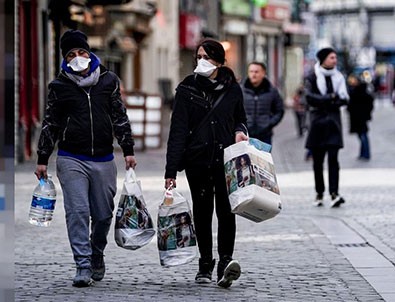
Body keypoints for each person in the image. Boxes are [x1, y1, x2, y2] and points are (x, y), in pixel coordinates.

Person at [34, 29, 136, 287]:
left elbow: (119, 116)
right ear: (65, 59)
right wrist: (43, 157)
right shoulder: (58, 87)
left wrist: (128, 149)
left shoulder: (108, 80)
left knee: (102, 215)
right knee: (77, 212)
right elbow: (50, 123)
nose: (77, 57)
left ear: (89, 53)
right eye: (71, 54)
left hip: (103, 158)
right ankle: (82, 265)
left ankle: (96, 253)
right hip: (71, 158)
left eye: (81, 52)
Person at [164, 38, 248, 288]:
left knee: (226, 210)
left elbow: (240, 119)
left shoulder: (232, 88)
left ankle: (225, 262)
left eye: (207, 57)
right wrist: (171, 170)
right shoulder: (187, 88)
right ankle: (205, 263)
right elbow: (177, 131)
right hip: (197, 160)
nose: (202, 61)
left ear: (220, 62)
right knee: (202, 211)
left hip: (226, 159)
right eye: (199, 56)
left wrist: (240, 131)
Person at [304, 47, 349, 208]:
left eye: (335, 58)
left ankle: (334, 193)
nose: (335, 60)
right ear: (323, 59)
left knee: (333, 161)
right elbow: (309, 98)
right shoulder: (312, 76)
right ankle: (319, 192)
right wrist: (330, 97)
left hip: (333, 125)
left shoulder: (339, 77)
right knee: (318, 162)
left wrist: (325, 101)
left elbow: (344, 99)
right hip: (317, 125)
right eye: (331, 57)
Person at [241, 62, 284, 145]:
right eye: (251, 71)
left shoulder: (272, 91)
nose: (253, 74)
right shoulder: (241, 90)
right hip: (245, 135)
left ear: (263, 73)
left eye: (256, 72)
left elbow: (279, 111)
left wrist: (269, 124)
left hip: (265, 136)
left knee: (263, 158)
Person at [347, 74, 374, 161]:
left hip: (360, 117)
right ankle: (363, 153)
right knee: (361, 135)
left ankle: (366, 153)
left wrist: (366, 113)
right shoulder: (355, 90)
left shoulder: (360, 91)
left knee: (363, 135)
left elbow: (369, 103)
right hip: (357, 117)